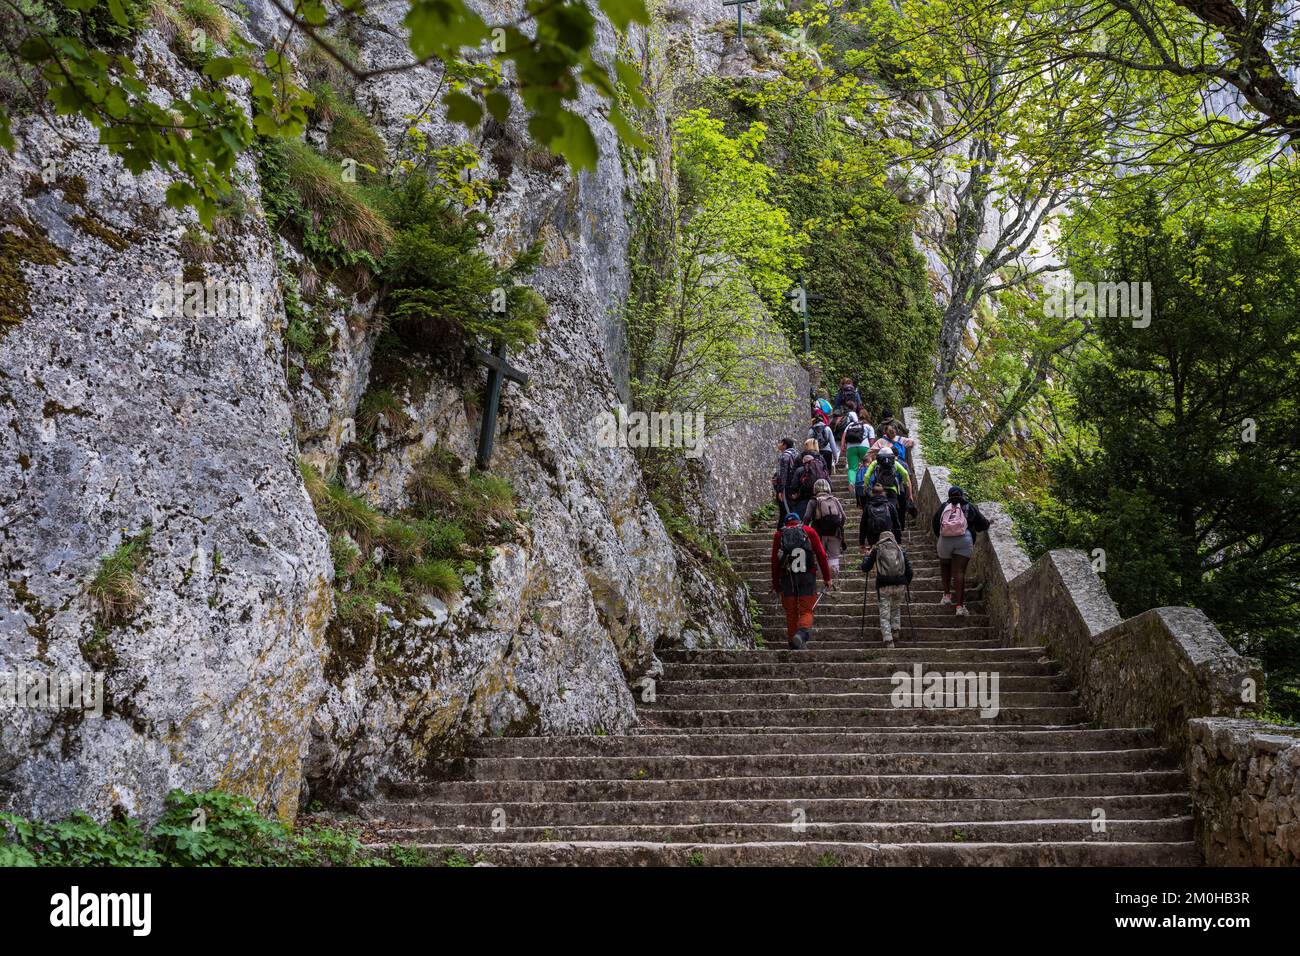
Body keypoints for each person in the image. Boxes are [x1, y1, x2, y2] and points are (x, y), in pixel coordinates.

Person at [771, 512, 834, 649]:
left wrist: (776, 585)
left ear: (786, 523)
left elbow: (775, 562)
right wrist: (827, 578)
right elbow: (821, 555)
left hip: (787, 577)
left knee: (791, 611)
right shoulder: (809, 531)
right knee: (807, 610)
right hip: (807, 576)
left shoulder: (779, 535)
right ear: (799, 521)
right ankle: (802, 633)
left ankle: (793, 644)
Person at [931, 485, 990, 617]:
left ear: (949, 495)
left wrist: (941, 536)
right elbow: (982, 524)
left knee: (945, 565)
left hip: (945, 539)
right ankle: (959, 606)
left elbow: (935, 523)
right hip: (964, 539)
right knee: (959, 572)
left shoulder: (944, 507)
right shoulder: (968, 506)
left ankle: (946, 596)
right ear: (962, 495)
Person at [861, 530, 913, 647]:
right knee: (895, 608)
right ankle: (895, 632)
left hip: (884, 585)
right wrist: (904, 582)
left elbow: (865, 568)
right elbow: (910, 571)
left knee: (884, 613)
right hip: (899, 585)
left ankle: (888, 640)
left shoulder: (877, 550)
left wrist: (866, 556)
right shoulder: (900, 550)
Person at [804, 478, 846, 574]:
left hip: (819, 533)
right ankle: (834, 580)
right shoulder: (834, 500)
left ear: (815, 488)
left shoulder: (813, 501)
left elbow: (806, 518)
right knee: (834, 557)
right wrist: (838, 525)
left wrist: (805, 531)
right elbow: (843, 516)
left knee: (820, 556)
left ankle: (823, 579)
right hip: (835, 533)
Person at [859, 482, 901, 551]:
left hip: (873, 537)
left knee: (873, 557)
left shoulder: (868, 506)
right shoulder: (890, 506)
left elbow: (863, 525)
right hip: (888, 536)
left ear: (872, 494)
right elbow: (897, 524)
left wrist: (862, 542)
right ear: (883, 493)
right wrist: (898, 541)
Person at [792, 443, 829, 520]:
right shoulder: (821, 468)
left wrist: (795, 493)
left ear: (803, 461)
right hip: (820, 497)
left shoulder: (800, 470)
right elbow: (829, 481)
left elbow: (794, 485)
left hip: (805, 496)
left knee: (802, 516)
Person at [771, 438, 800, 530]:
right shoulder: (796, 454)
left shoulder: (785, 456)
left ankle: (783, 532)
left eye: (780, 442)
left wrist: (780, 490)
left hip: (785, 487)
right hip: (794, 486)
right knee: (790, 509)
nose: (778, 444)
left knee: (784, 510)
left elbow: (783, 474)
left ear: (784, 444)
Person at [843, 404, 875, 478]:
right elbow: (872, 441)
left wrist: (843, 447)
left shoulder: (851, 424)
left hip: (851, 447)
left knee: (852, 469)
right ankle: (865, 483)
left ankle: (852, 484)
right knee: (867, 466)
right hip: (864, 447)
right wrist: (872, 454)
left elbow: (844, 435)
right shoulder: (869, 426)